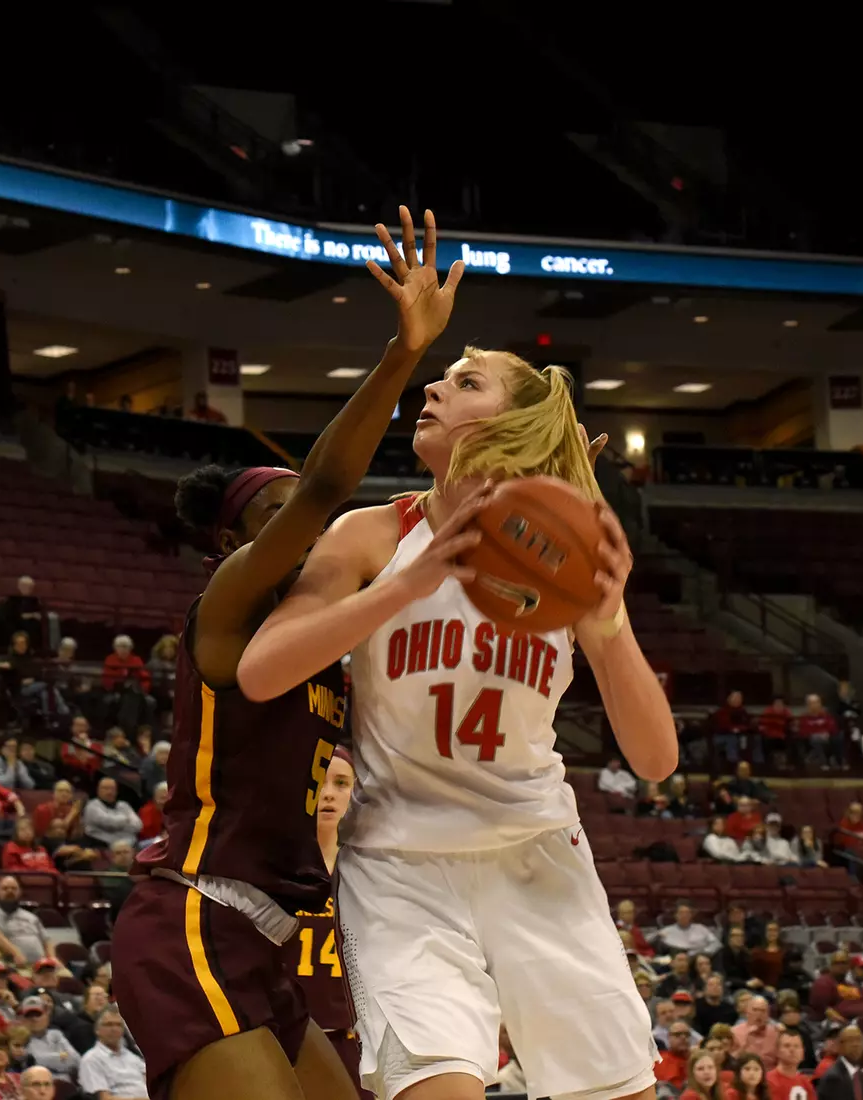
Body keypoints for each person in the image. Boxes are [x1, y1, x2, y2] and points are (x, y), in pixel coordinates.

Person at [237, 245, 671, 1100]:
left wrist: (606, 623)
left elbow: (655, 760)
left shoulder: (563, 548)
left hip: (538, 853)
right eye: (443, 376)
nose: (434, 387)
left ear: (513, 425)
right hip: (400, 863)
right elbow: (260, 670)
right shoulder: (372, 535)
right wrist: (416, 576)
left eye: (466, 380)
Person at [111, 206, 461, 1100]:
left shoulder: (329, 649)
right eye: (283, 519)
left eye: (306, 519)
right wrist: (404, 353)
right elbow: (335, 488)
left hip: (274, 936)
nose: (311, 531)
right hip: (196, 912)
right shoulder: (225, 608)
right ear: (241, 546)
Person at [283, 749, 365, 1097]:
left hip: (355, 1038)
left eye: (341, 783)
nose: (329, 793)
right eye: (318, 783)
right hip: (285, 1036)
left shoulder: (370, 874)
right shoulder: (274, 872)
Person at [77, 1007, 149, 1099]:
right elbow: (105, 1098)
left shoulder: (132, 1057)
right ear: (97, 1030)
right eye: (109, 1024)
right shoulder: (91, 1060)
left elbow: (151, 1085)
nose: (114, 1029)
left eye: (118, 1025)